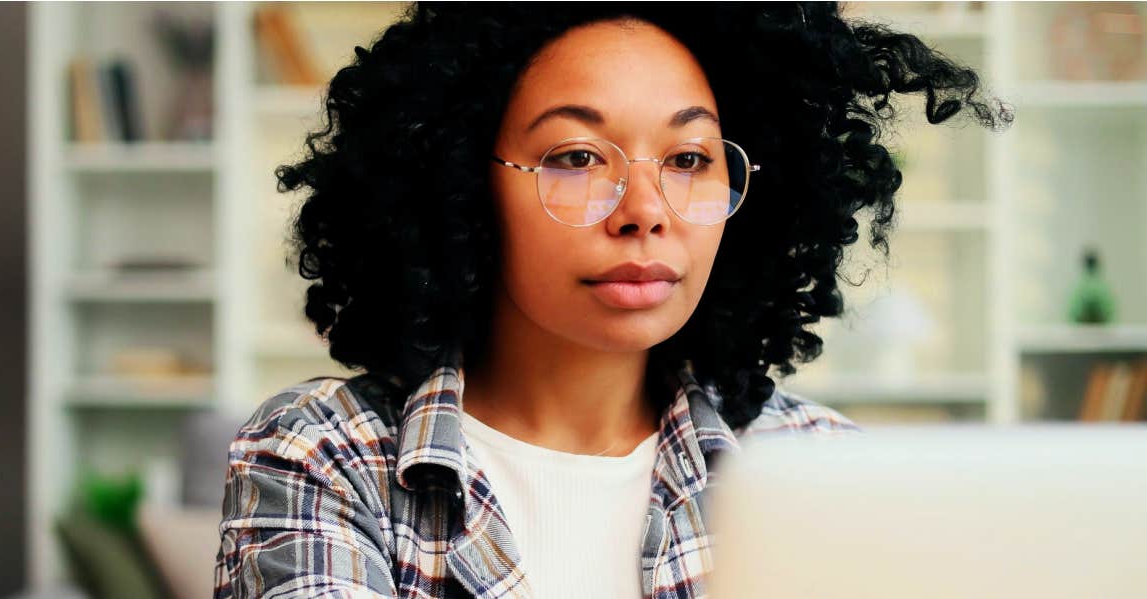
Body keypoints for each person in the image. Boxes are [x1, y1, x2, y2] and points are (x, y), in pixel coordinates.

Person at [214, 3, 1012, 598]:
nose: (645, 207)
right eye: (576, 155)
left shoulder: (819, 466)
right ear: (457, 182)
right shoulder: (327, 455)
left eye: (691, 157)